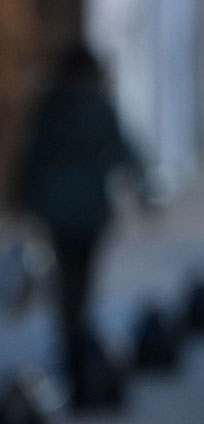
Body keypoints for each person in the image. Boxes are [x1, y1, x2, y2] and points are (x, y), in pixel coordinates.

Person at [17, 44, 142, 409]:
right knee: (82, 279)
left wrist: (24, 198)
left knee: (66, 279)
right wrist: (144, 187)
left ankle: (70, 342)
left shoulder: (50, 106)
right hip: (90, 210)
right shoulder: (98, 106)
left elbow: (34, 155)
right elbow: (121, 149)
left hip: (56, 209)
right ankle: (76, 346)